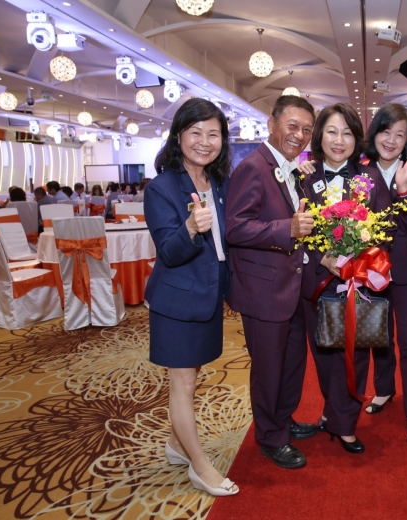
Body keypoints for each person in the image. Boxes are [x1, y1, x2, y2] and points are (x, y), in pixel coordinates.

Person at [143, 98, 237, 497]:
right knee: (182, 384)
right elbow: (169, 251)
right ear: (178, 135)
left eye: (213, 134)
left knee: (192, 378)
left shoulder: (218, 183)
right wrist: (190, 228)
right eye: (195, 132)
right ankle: (201, 466)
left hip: (208, 295)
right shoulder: (161, 187)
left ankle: (176, 444)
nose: (204, 141)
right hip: (177, 302)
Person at [225, 95, 318, 470]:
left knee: (292, 363)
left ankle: (283, 420)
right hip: (264, 290)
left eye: (306, 129)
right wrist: (287, 229)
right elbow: (235, 227)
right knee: (268, 369)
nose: (299, 135)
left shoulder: (291, 169)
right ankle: (270, 437)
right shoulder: (253, 167)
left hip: (292, 286)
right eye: (292, 126)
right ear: (271, 124)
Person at [297, 103, 392, 456]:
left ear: (357, 139)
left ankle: (345, 424)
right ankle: (332, 410)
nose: (339, 140)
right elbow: (294, 229)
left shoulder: (370, 178)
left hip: (358, 283)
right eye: (332, 132)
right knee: (323, 353)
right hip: (316, 281)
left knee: (355, 353)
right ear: (320, 136)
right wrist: (322, 257)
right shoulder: (304, 178)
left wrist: (362, 257)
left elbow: (386, 227)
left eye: (347, 133)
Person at [362, 103, 407, 445]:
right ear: (375, 133)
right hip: (369, 269)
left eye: (400, 135)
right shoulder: (361, 169)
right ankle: (384, 388)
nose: (391, 140)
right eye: (385, 132)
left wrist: (403, 188)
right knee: (379, 337)